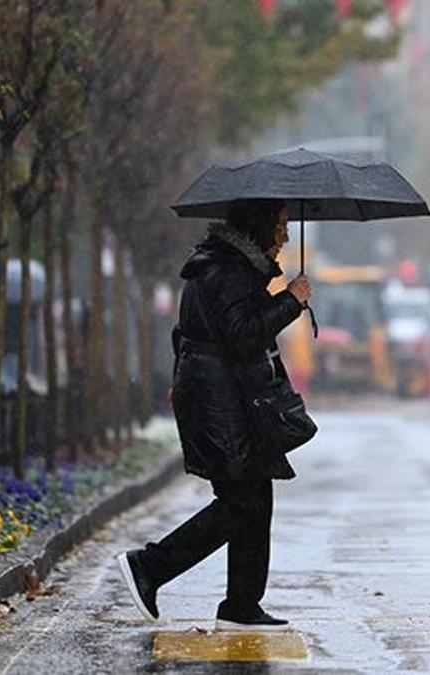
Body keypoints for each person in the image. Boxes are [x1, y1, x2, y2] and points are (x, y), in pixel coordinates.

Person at [116, 199, 312, 631]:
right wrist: (290, 302)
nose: (285, 237)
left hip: (227, 398)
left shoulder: (233, 267)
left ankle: (242, 606)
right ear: (260, 226)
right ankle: (149, 566)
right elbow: (242, 336)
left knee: (256, 497)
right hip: (219, 402)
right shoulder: (226, 271)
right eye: (280, 226)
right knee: (241, 501)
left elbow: (208, 331)